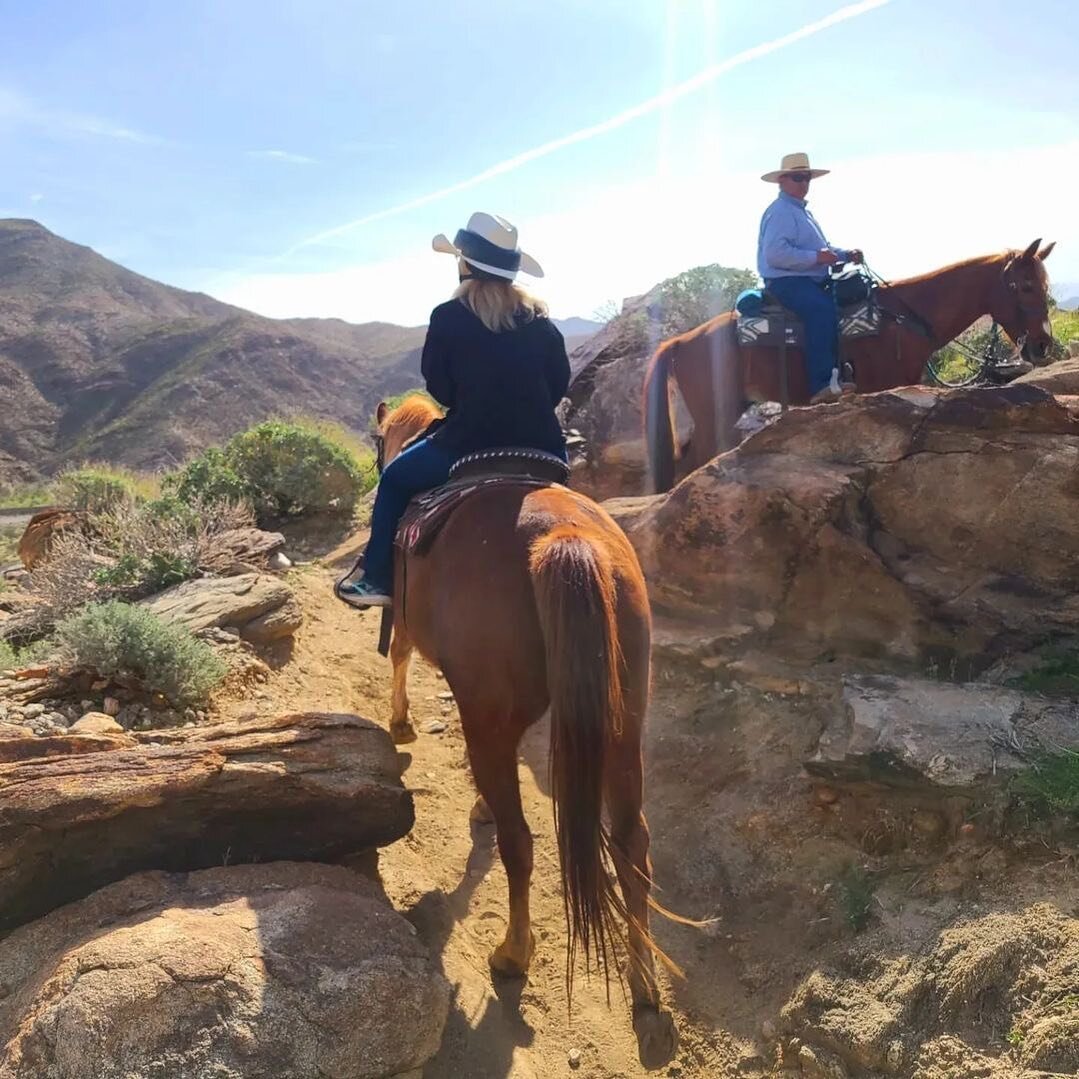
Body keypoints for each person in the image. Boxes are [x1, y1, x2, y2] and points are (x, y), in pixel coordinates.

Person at [339, 211, 570, 607]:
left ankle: (376, 578)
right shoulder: (542, 323)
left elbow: (440, 388)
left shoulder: (448, 317)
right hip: (544, 447)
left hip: (467, 444)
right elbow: (558, 385)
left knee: (394, 479)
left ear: (464, 266)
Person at [757, 152, 864, 403]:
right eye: (798, 178)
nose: (804, 183)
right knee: (821, 311)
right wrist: (816, 258)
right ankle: (821, 384)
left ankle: (840, 371)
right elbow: (775, 254)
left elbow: (822, 250)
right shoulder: (781, 212)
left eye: (807, 178)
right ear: (782, 180)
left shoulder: (802, 213)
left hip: (807, 279)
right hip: (787, 282)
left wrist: (845, 255)